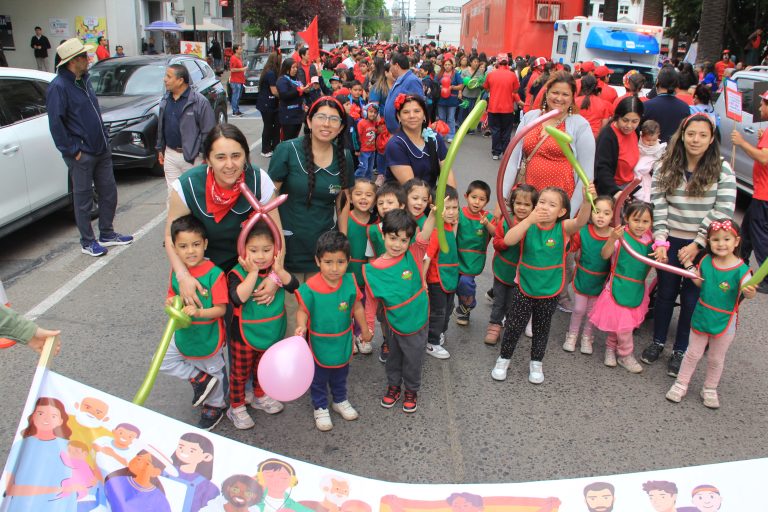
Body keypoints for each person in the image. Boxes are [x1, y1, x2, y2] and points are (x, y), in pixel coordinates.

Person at [643, 114, 737, 377]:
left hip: (704, 245)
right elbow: (659, 204)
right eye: (691, 134)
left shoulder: (722, 169)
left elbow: (723, 210)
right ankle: (658, 341)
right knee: (664, 293)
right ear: (682, 135)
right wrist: (660, 240)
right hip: (670, 238)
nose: (696, 139)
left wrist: (698, 244)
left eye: (703, 135)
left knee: (691, 298)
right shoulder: (665, 163)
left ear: (711, 140)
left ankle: (681, 349)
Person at [492, 185, 594, 384]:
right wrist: (529, 220)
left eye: (552, 204)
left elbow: (581, 222)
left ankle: (536, 362)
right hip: (525, 286)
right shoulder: (527, 224)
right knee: (514, 326)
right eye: (541, 202)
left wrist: (587, 201)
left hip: (550, 289)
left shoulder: (562, 228)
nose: (545, 207)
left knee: (542, 327)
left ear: (562, 212)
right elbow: (509, 240)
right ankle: (504, 358)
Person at [47, 38, 134, 257]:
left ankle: (107, 233)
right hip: (81, 153)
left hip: (101, 148)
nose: (88, 59)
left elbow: (94, 113)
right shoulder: (59, 87)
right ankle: (87, 241)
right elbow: (56, 125)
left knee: (109, 192)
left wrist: (104, 137)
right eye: (84, 56)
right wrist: (73, 150)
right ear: (72, 61)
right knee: (83, 198)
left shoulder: (84, 80)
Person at [665, 219, 757, 408]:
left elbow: (747, 292)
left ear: (736, 241)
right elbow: (701, 283)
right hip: (702, 314)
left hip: (725, 321)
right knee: (692, 353)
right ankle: (681, 383)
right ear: (709, 242)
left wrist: (750, 292)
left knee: (716, 358)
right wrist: (690, 266)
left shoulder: (742, 270)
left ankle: (710, 388)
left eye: (726, 239)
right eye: (715, 240)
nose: (721, 244)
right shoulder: (706, 261)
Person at [295, 231, 372, 431]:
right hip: (319, 343)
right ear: (318, 261)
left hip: (343, 340)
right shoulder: (310, 287)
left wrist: (364, 330)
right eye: (328, 262)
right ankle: (320, 406)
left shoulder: (350, 281)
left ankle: (339, 400)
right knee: (319, 377)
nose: (334, 268)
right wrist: (301, 325)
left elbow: (357, 307)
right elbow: (303, 310)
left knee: (341, 373)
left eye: (340, 262)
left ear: (348, 261)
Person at [364, 208, 436, 413]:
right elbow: (370, 302)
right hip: (393, 322)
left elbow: (424, 238)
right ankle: (394, 386)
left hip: (417, 317)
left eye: (404, 240)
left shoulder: (413, 254)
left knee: (414, 358)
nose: (398, 244)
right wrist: (368, 327)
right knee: (393, 357)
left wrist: (431, 216)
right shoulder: (374, 268)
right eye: (393, 238)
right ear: (383, 234)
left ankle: (411, 390)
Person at [160, 215, 228, 430]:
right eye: (183, 246)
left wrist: (199, 312)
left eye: (196, 244)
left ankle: (215, 406)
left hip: (207, 335)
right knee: (162, 361)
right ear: (175, 250)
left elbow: (221, 309)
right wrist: (171, 302)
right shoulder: (177, 273)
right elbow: (171, 296)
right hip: (182, 334)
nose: (190, 251)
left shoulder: (215, 274)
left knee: (214, 370)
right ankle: (198, 379)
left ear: (205, 244)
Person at [227, 223, 297, 430]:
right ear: (242, 251)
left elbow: (294, 285)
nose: (260, 256)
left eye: (266, 250)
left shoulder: (275, 272)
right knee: (239, 373)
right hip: (243, 334)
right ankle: (237, 406)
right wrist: (252, 273)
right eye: (253, 250)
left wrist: (278, 272)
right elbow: (237, 298)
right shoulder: (237, 273)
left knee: (262, 367)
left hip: (271, 331)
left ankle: (260, 395)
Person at [503, 71, 595, 217]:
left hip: (559, 203)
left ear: (572, 98)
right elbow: (511, 161)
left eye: (565, 94)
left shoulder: (580, 125)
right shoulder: (531, 117)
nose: (559, 98)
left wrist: (568, 214)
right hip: (528, 198)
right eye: (555, 92)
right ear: (547, 93)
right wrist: (502, 198)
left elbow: (586, 175)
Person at [589, 203, 655, 373]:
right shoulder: (621, 236)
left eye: (645, 221)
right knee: (623, 326)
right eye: (636, 220)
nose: (640, 225)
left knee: (622, 324)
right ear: (626, 219)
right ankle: (625, 354)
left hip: (636, 288)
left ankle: (610, 348)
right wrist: (612, 239)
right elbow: (605, 254)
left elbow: (651, 263)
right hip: (617, 286)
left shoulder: (650, 240)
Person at [484, 184, 537, 345]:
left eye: (527, 205)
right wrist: (508, 241)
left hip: (522, 274)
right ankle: (494, 325)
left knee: (513, 302)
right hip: (503, 269)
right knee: (499, 300)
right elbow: (497, 243)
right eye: (518, 203)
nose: (521, 207)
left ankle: (510, 324)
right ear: (512, 204)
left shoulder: (535, 225)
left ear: (534, 207)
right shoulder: (506, 221)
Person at [2, 397, 76, 511]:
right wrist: (52, 490)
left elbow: (81, 481)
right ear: (33, 416)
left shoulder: (70, 447)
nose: (46, 419)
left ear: (61, 420)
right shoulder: (22, 445)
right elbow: (9, 488)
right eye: (41, 413)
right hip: (22, 507)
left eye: (53, 416)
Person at [562, 196, 613, 354]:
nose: (601, 216)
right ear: (591, 212)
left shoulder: (615, 235)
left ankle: (587, 337)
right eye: (597, 211)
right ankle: (572, 334)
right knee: (578, 309)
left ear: (613, 215)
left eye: (606, 213)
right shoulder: (583, 231)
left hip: (601, 281)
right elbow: (571, 247)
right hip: (583, 277)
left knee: (592, 311)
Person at [156, 64, 216, 193]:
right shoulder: (166, 99)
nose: (164, 79)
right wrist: (160, 148)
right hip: (170, 155)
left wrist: (202, 154)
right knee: (173, 195)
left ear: (180, 80)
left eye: (169, 76)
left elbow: (209, 131)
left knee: (195, 194)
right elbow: (162, 125)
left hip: (192, 157)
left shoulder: (199, 101)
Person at [731, 90, 768, 293]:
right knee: (747, 231)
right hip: (761, 193)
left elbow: (764, 158)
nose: (760, 107)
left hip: (764, 193)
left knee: (759, 233)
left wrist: (742, 142)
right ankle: (740, 263)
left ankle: (765, 277)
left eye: (763, 104)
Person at [338, 178, 377, 354]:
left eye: (369, 195)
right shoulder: (346, 218)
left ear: (375, 200)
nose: (363, 198)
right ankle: (349, 338)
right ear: (351, 198)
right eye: (358, 194)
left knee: (363, 306)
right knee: (347, 306)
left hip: (366, 273)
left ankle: (362, 335)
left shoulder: (375, 222)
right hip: (348, 272)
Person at [384, 94, 456, 188]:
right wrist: (436, 200)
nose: (412, 116)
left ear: (424, 115)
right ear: (399, 117)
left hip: (431, 198)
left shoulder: (435, 138)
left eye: (417, 111)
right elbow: (412, 188)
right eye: (406, 112)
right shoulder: (395, 145)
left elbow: (447, 175)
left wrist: (449, 198)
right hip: (405, 199)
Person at [423, 185, 460, 359]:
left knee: (448, 308)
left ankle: (439, 333)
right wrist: (423, 280)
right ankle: (432, 342)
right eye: (448, 208)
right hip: (437, 280)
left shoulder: (447, 227)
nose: (452, 212)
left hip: (449, 277)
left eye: (455, 207)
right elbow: (427, 257)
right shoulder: (437, 231)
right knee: (438, 312)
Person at [454, 181, 495, 327]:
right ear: (466, 196)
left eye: (482, 199)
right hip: (457, 255)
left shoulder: (487, 217)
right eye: (474, 197)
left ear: (487, 201)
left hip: (473, 258)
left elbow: (497, 233)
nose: (477, 202)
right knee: (457, 284)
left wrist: (487, 225)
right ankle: (464, 309)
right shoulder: (459, 213)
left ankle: (468, 304)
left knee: (465, 282)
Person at [594, 96, 644, 197]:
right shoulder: (608, 136)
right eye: (625, 120)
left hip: (629, 187)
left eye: (635, 121)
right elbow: (602, 168)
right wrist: (615, 191)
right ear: (617, 117)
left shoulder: (635, 132)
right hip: (612, 190)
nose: (629, 126)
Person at [483, 53, 522, 160]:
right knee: (506, 131)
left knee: (495, 130)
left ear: (497, 62)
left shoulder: (491, 74)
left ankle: (496, 152)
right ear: (507, 62)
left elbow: (486, 88)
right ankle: (506, 151)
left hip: (493, 107)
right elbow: (516, 90)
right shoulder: (512, 75)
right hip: (508, 108)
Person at [642, 67, 691, 144]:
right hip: (674, 151)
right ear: (676, 85)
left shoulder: (647, 106)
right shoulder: (685, 107)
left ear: (657, 82)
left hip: (650, 151)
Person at [383, 52, 425, 133]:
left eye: (391, 66)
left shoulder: (412, 80)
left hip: (404, 131)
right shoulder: (399, 79)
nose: (390, 69)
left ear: (396, 66)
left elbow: (419, 105)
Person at [276, 58, 310, 140]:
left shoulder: (296, 78)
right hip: (288, 115)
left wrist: (305, 91)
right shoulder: (282, 80)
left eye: (296, 67)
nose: (295, 69)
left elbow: (300, 94)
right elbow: (284, 95)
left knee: (295, 138)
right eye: (293, 67)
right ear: (287, 68)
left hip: (298, 114)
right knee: (288, 139)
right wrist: (299, 90)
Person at [633, 120, 666, 203]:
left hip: (649, 174)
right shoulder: (637, 143)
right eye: (648, 140)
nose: (651, 143)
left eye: (654, 140)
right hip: (636, 173)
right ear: (642, 135)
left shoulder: (659, 148)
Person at [256, 52, 281, 158]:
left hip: (272, 104)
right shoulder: (270, 73)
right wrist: (284, 95)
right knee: (268, 126)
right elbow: (274, 91)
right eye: (280, 59)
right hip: (267, 104)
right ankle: (265, 149)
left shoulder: (271, 72)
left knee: (276, 126)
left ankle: (275, 146)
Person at [435, 58, 464, 142]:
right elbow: (435, 84)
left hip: (452, 99)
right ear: (443, 66)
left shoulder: (456, 74)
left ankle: (451, 135)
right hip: (441, 99)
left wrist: (452, 87)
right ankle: (441, 134)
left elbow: (461, 85)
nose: (447, 66)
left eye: (449, 64)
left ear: (452, 65)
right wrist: (440, 87)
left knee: (451, 118)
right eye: (445, 65)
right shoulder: (439, 74)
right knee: (441, 118)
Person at [459, 55, 485, 132]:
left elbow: (482, 84)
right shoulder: (465, 71)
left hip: (475, 96)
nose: (476, 63)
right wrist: (460, 92)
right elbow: (461, 83)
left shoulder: (480, 73)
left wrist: (478, 84)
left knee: (472, 113)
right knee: (463, 112)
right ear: (470, 62)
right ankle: (462, 127)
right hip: (465, 95)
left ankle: (470, 128)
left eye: (477, 62)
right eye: (474, 61)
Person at [356, 104, 379, 179]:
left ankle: (367, 183)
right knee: (363, 168)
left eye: (375, 112)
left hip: (372, 150)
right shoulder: (361, 123)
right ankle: (355, 182)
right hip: (363, 151)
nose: (373, 114)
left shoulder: (374, 123)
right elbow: (357, 137)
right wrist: (357, 149)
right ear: (365, 112)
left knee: (370, 169)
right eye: (371, 111)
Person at [229, 45, 246, 117]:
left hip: (240, 79)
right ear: (236, 50)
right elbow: (232, 69)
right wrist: (242, 69)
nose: (241, 50)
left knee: (238, 96)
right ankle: (234, 111)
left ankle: (237, 110)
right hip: (235, 81)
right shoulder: (233, 58)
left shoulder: (239, 58)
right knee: (235, 96)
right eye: (240, 49)